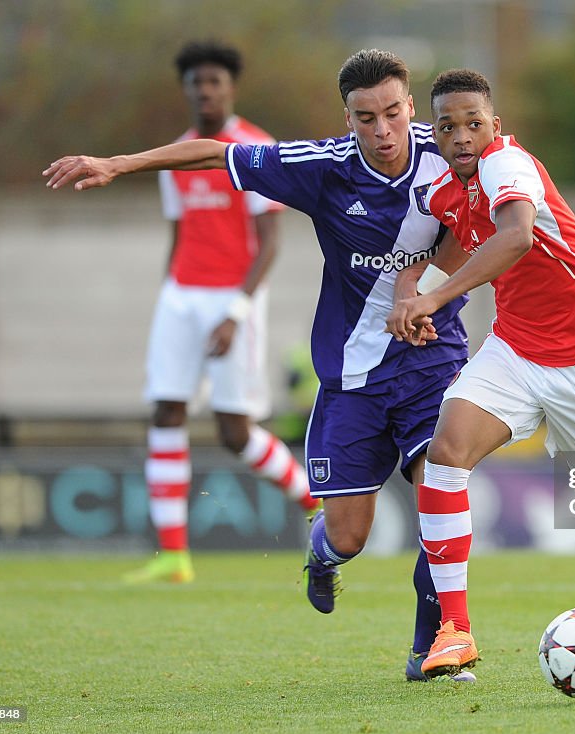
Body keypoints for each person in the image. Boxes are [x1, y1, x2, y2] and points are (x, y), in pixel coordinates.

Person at [44, 49, 474, 682]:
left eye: (391, 113)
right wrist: (119, 163)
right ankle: (322, 554)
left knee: (441, 486)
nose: (381, 131)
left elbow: (510, 203)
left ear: (411, 106)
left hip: (431, 361)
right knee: (348, 536)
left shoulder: (453, 148)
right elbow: (217, 154)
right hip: (353, 375)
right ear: (347, 118)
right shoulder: (325, 167)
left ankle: (435, 647)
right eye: (364, 118)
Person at [385, 69, 575, 678]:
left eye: (474, 123)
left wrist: (437, 296)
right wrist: (410, 302)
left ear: (495, 126)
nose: (462, 137)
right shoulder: (437, 187)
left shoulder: (510, 166)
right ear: (435, 131)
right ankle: (455, 630)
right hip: (515, 351)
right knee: (445, 455)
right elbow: (414, 256)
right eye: (448, 126)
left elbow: (516, 238)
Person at [121, 41, 320, 584]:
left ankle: (314, 500)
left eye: (215, 81)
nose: (205, 90)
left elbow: (269, 242)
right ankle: (173, 557)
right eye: (196, 82)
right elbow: (179, 232)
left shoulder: (255, 149)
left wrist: (237, 309)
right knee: (166, 412)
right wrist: (169, 299)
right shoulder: (176, 156)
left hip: (235, 299)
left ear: (231, 88)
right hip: (180, 296)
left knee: (234, 432)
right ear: (185, 89)